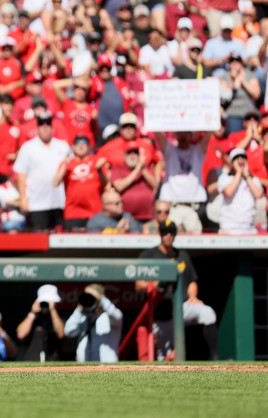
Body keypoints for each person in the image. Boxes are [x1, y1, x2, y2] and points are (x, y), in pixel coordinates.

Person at [137, 220, 219, 360]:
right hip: (160, 313)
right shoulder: (149, 255)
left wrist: (193, 296)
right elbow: (138, 286)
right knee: (164, 359)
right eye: (165, 232)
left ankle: (216, 358)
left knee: (208, 313)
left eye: (172, 232)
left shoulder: (182, 256)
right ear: (160, 234)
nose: (168, 235)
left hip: (181, 307)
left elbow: (192, 281)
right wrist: (158, 282)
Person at [14, 111, 72, 231]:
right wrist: (23, 198)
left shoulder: (63, 146)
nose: (45, 127)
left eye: (48, 124)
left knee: (59, 239)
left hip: (59, 201)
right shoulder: (28, 147)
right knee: (39, 238)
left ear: (52, 127)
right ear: (37, 128)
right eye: (42, 124)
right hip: (37, 202)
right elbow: (21, 174)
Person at [54, 134, 106, 232]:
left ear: (89, 146)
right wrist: (65, 164)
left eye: (84, 143)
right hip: (73, 213)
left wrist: (99, 170)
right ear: (72, 146)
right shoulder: (68, 162)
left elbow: (106, 184)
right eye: (77, 143)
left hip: (95, 211)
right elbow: (55, 182)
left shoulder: (96, 160)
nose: (81, 146)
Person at [64, 283, 122, 362]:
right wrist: (79, 309)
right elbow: (69, 331)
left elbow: (118, 316)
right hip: (83, 367)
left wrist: (100, 299)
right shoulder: (82, 316)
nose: (89, 299)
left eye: (91, 297)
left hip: (107, 368)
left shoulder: (108, 317)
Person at [217, 148, 264, 233]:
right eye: (237, 158)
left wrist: (246, 176)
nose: (240, 161)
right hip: (228, 228)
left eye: (243, 158)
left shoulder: (253, 180)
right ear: (231, 162)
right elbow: (228, 192)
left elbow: (258, 194)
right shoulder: (224, 178)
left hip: (248, 228)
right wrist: (238, 172)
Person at [15, 284, 65, 362]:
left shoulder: (58, 317)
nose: (46, 305)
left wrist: (53, 310)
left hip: (53, 361)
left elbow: (61, 334)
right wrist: (32, 313)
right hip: (31, 361)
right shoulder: (32, 317)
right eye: (44, 302)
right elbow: (21, 334)